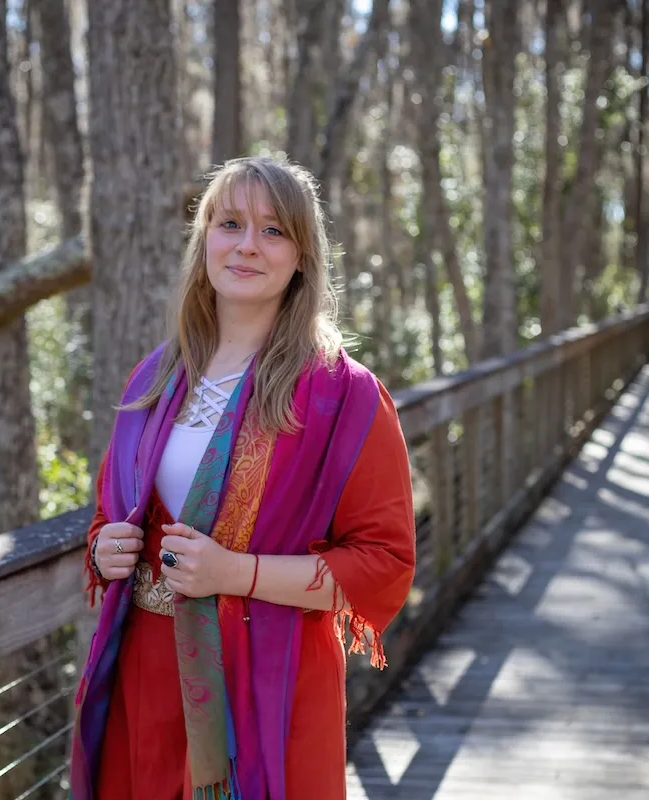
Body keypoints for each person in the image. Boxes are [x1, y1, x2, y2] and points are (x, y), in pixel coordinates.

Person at [71, 156, 415, 800]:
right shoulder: (155, 378)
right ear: (205, 240)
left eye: (274, 230)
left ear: (303, 256)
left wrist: (239, 573)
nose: (248, 245)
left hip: (270, 680)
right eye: (229, 223)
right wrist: (103, 546)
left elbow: (384, 563)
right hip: (145, 672)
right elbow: (110, 511)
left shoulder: (344, 396)